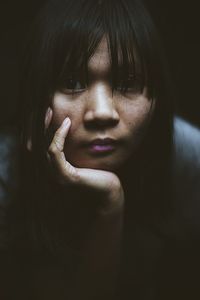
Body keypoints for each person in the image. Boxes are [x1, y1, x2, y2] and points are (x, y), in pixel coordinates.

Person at [0, 0, 200, 299]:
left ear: (156, 97)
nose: (102, 112)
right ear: (36, 97)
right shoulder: (6, 174)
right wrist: (110, 206)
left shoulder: (187, 159)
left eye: (129, 82)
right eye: (72, 81)